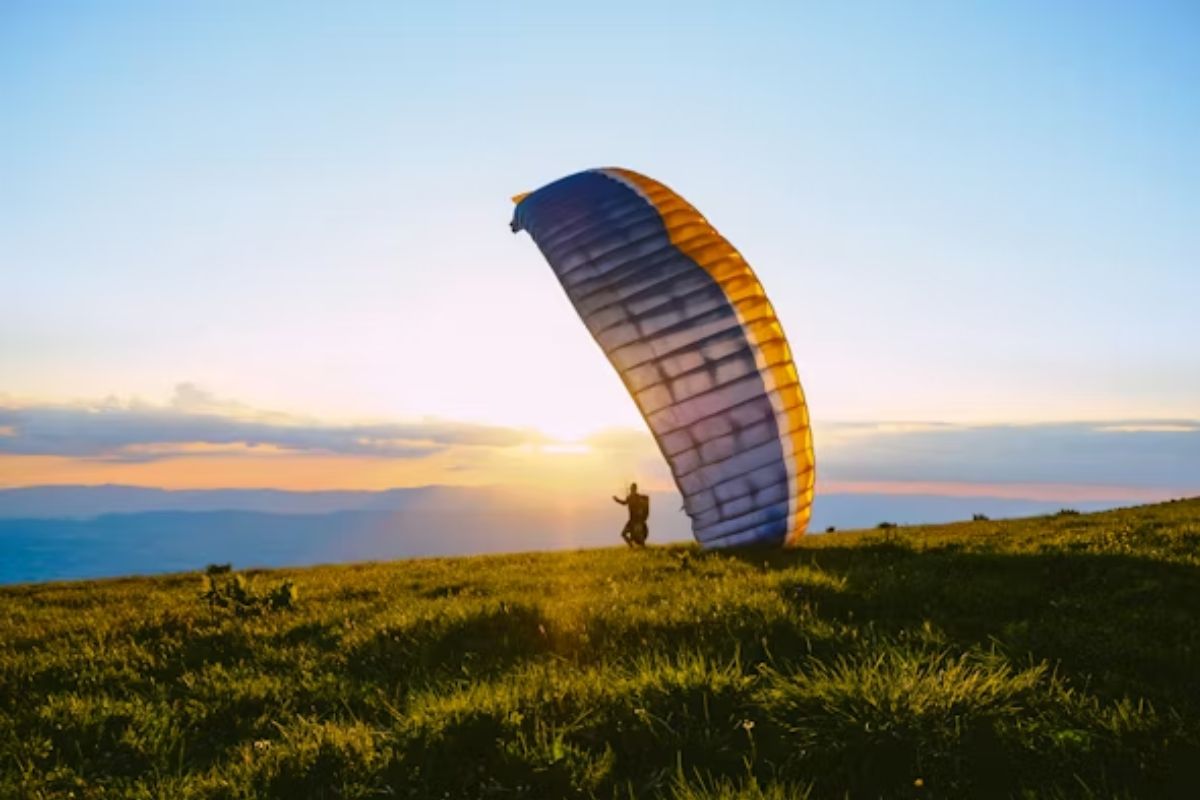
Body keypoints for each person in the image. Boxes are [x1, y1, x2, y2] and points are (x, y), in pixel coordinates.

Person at [613, 482, 650, 547]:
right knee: (623, 534)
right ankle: (631, 547)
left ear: (635, 489)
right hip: (631, 521)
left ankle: (643, 548)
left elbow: (645, 501)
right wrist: (617, 500)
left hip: (638, 521)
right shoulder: (629, 497)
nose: (632, 490)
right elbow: (624, 503)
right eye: (631, 489)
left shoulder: (639, 497)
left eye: (633, 489)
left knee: (639, 538)